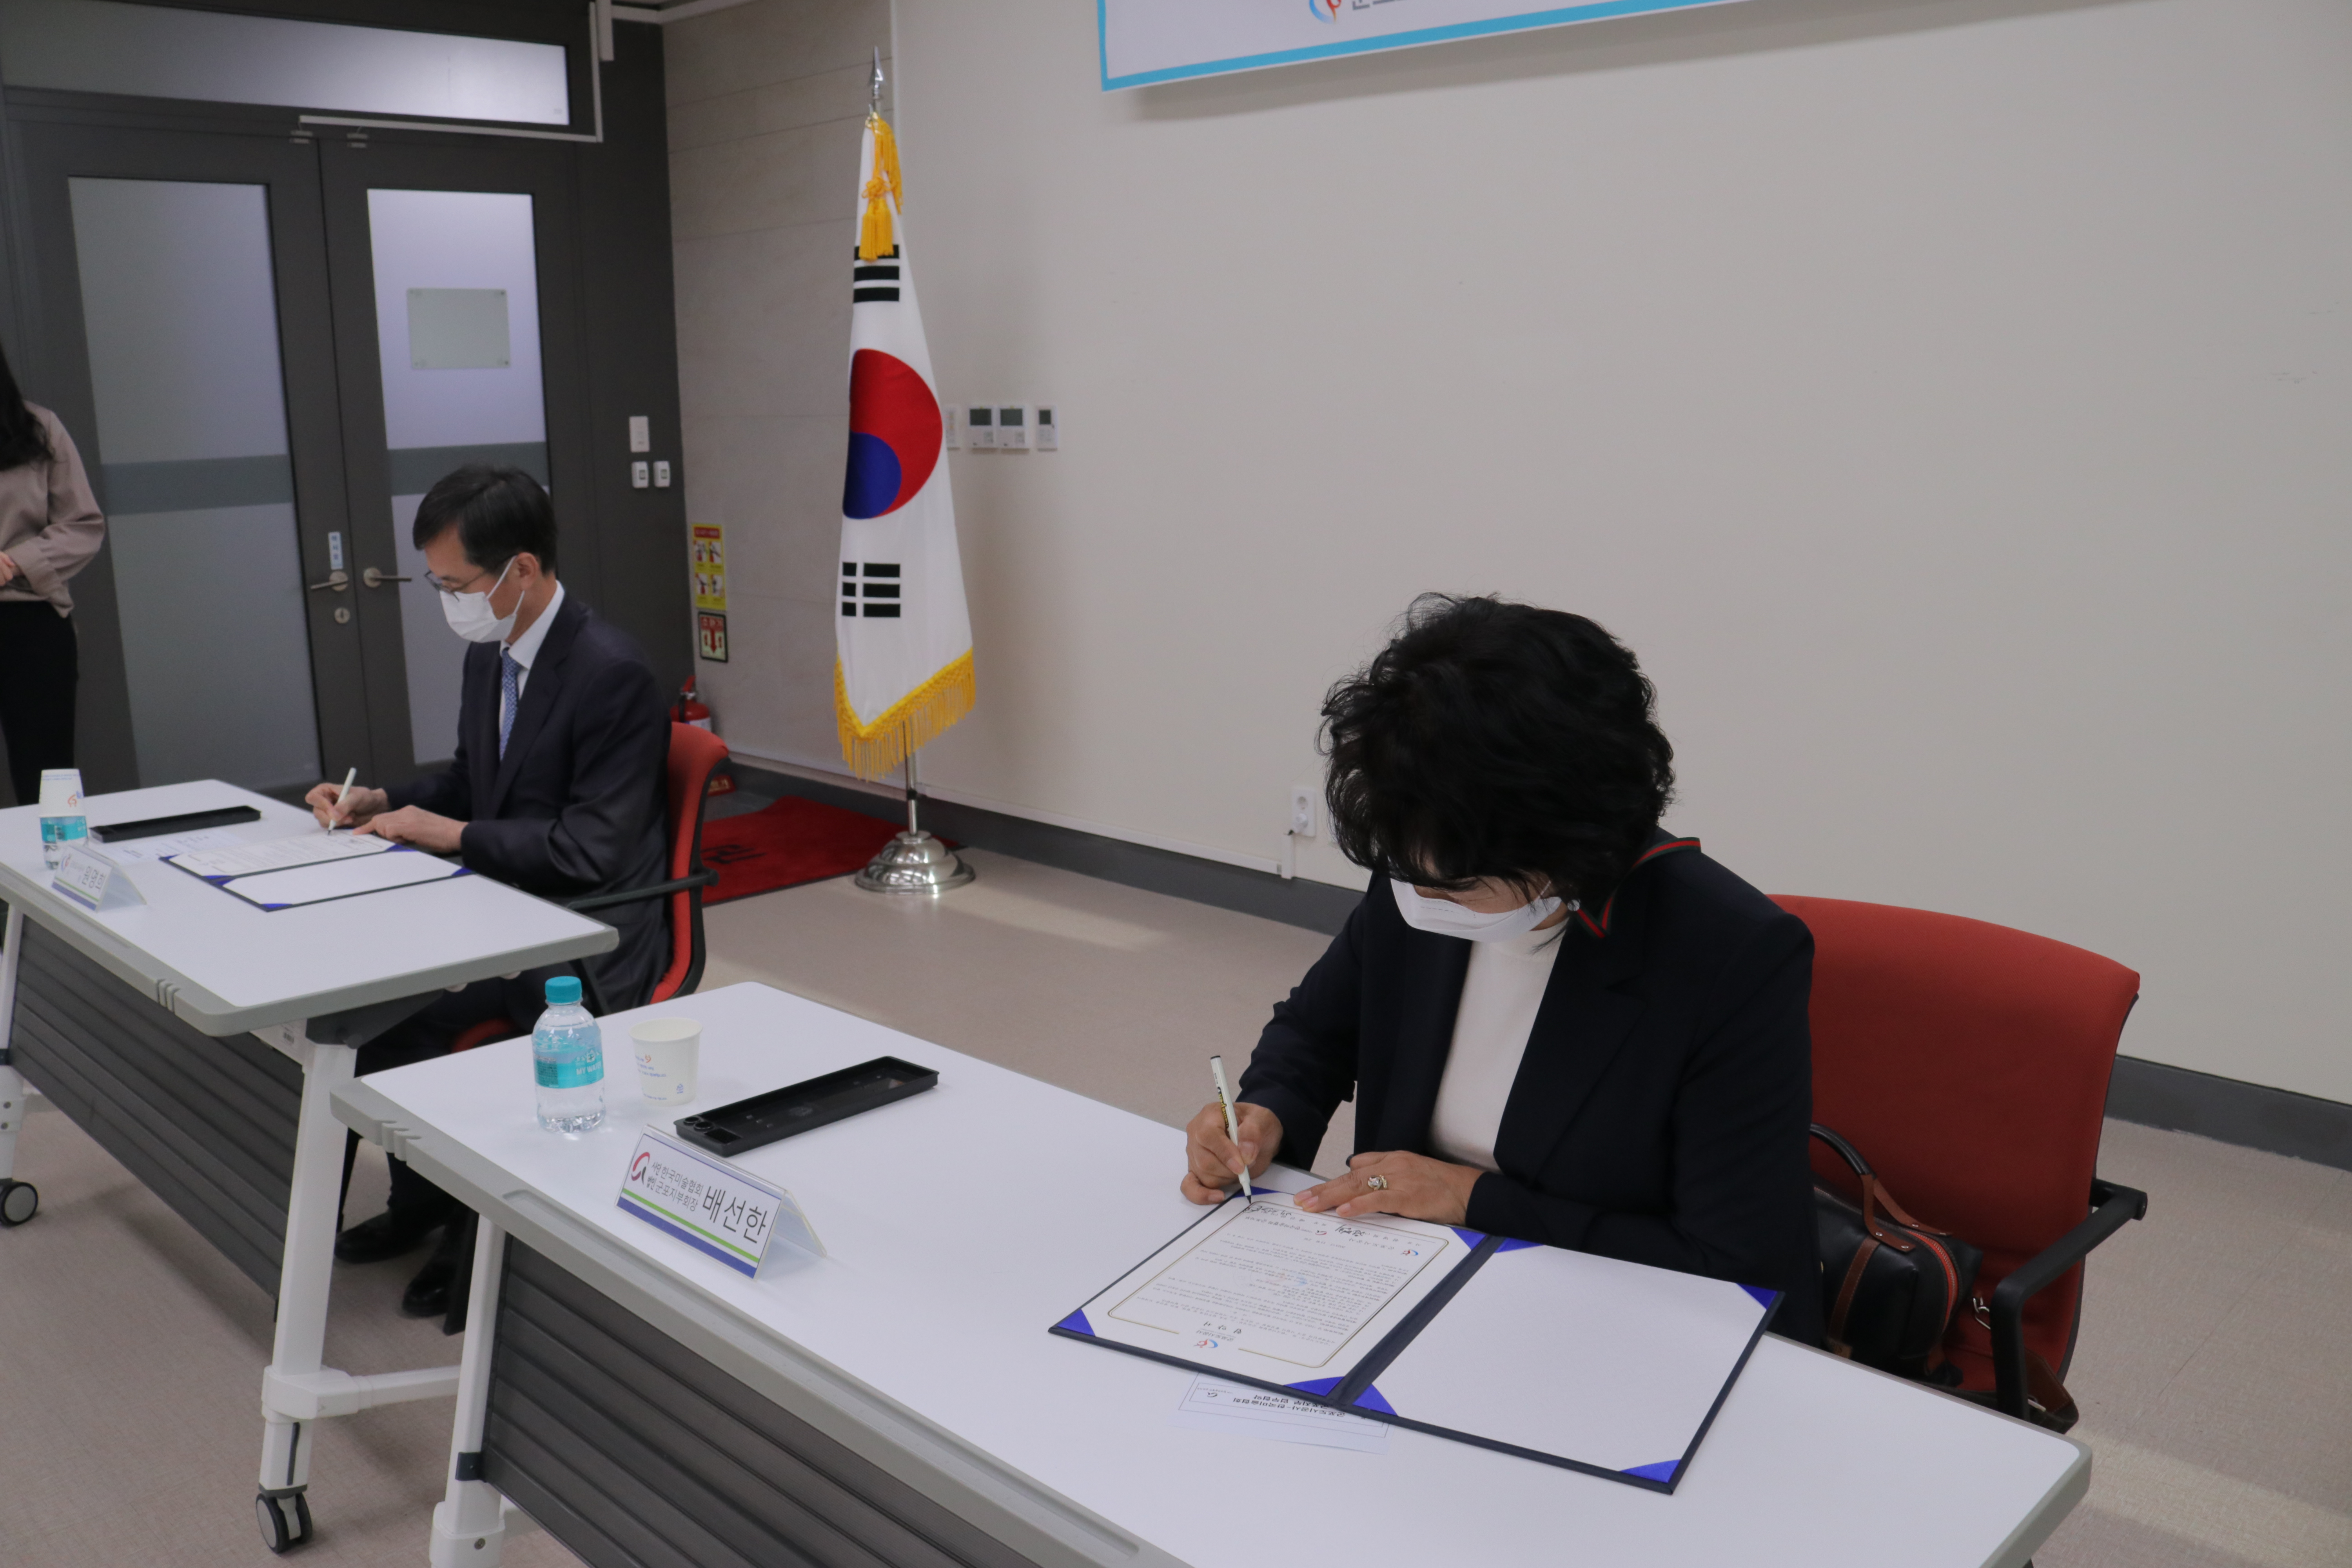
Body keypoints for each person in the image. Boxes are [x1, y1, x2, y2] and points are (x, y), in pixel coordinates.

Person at [1183, 595, 1822, 1346]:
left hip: (1607, 1317)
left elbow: (1734, 1263)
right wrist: (1264, 1116)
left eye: (1458, 886)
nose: (1421, 901)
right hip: (1405, 1274)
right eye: (1406, 873)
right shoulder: (1424, 862)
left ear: (1573, 845)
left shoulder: (1731, 956)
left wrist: (1472, 1200)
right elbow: (1315, 1034)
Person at [310, 464, 669, 1323]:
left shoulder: (611, 671)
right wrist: (384, 801)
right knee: (368, 1014)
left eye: (457, 585)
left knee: (418, 1016)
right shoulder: (493, 653)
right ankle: (425, 1200)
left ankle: (479, 1232)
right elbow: (475, 782)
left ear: (523, 570)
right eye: (438, 584)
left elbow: (589, 847)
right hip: (506, 903)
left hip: (587, 930)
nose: (449, 602)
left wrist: (452, 835)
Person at [0, 344, 104, 806]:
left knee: (47, 778)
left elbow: (83, 525)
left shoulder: (39, 427)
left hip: (31, 620)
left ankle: (57, 854)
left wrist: (16, 560)